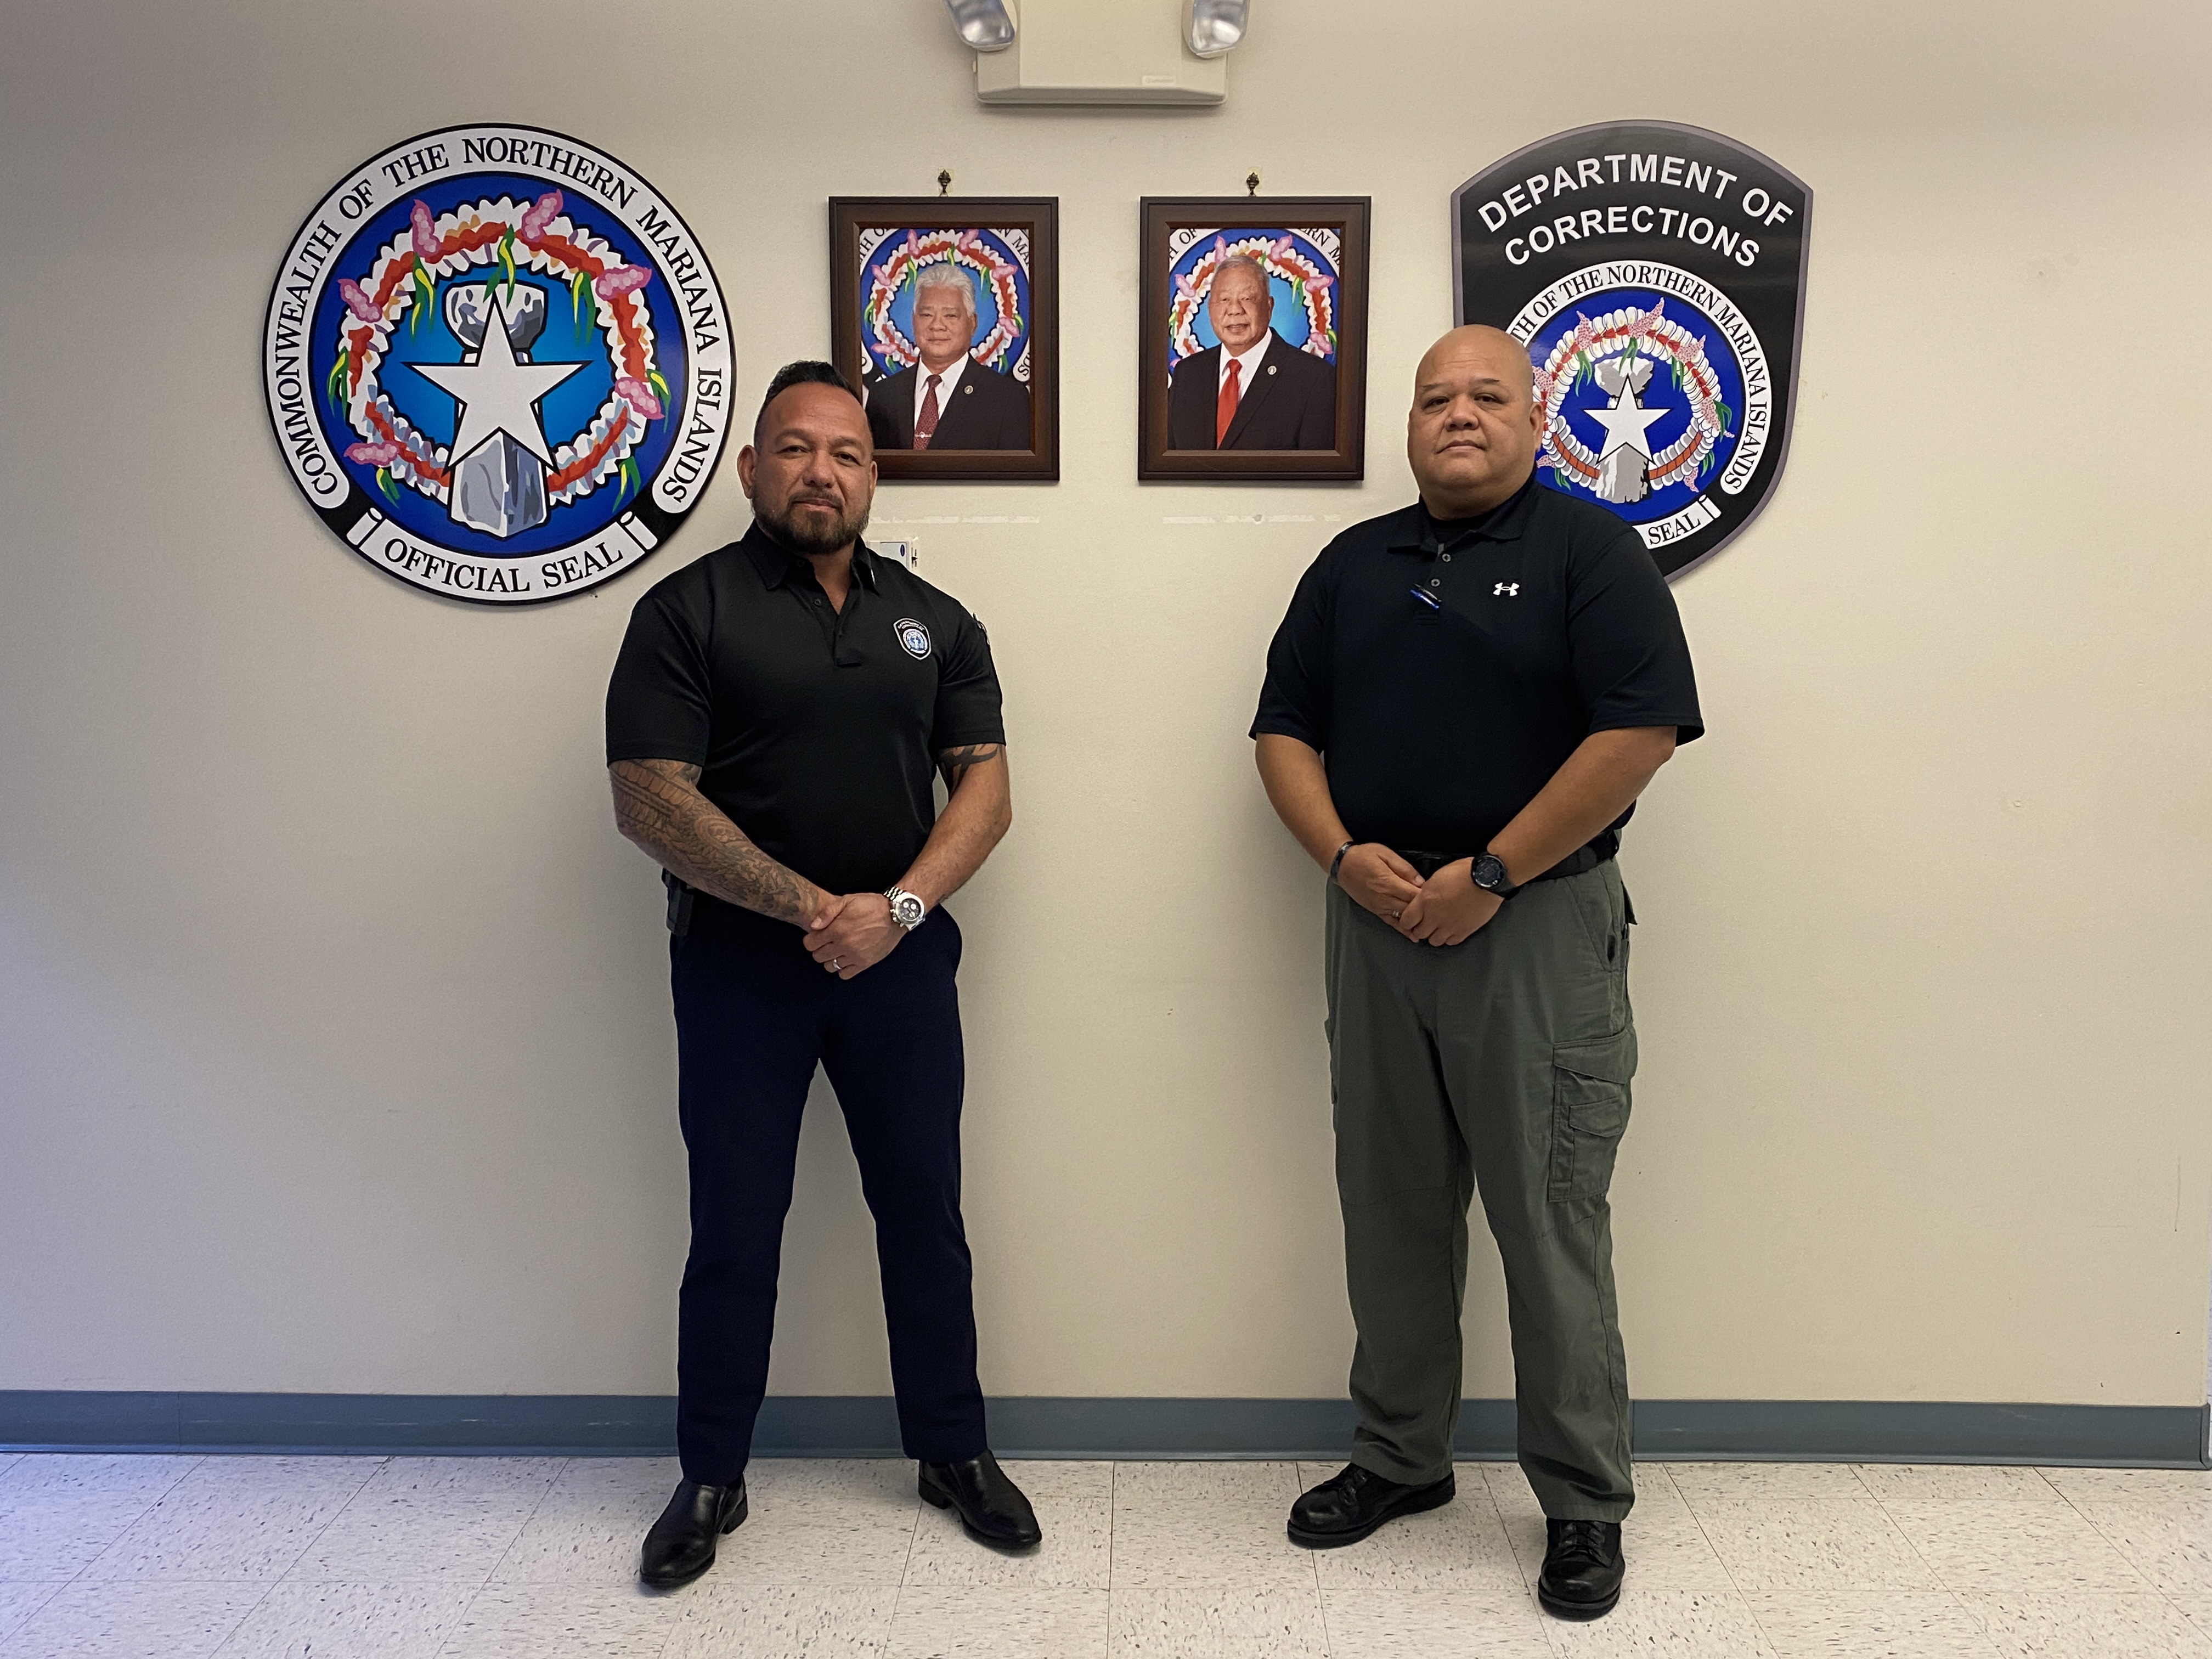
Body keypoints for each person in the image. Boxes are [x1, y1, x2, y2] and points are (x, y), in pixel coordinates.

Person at [1249, 325, 1702, 1622]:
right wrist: (1344, 861)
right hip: (1378, 919)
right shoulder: (1354, 565)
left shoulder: (1590, 555)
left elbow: (1640, 734)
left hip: (1537, 926)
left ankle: (1580, 1502)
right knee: (1390, 1204)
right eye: (1436, 397)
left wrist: (1490, 874)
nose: (1459, 415)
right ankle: (1400, 1458)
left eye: (1486, 396)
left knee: (1548, 1216)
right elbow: (1284, 732)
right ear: (1409, 421)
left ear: (1535, 416)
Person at [605, 359, 1040, 1589]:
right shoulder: (687, 612)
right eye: (795, 450)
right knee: (735, 1226)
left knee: (925, 1216)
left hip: (900, 967)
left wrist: (894, 910)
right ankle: (710, 1476)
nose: (820, 472)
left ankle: (953, 1453)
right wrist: (812, 910)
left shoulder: (935, 619)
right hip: (743, 971)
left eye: (845, 453)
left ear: (874, 473)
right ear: (752, 470)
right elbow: (649, 799)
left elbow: (988, 789)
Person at [1167, 253, 1335, 450]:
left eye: (1247, 298)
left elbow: (1317, 475)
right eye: (1224, 299)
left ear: (1269, 307)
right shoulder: (1188, 374)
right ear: (1210, 309)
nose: (1235, 310)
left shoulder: (1313, 378)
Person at [865, 262, 1030, 451]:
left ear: (973, 323)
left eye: (951, 316)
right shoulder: (883, 395)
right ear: (913, 321)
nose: (937, 326)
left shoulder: (1007, 399)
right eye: (926, 314)